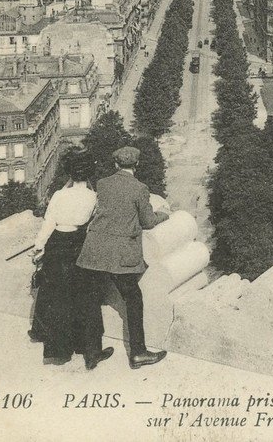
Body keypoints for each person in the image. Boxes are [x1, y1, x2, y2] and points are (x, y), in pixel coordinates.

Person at [77, 146, 170, 370]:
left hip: (94, 251)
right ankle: (138, 353)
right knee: (133, 299)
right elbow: (147, 221)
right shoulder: (140, 188)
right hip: (122, 255)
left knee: (91, 300)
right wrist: (163, 215)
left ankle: (92, 354)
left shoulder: (102, 183)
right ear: (135, 165)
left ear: (115, 164)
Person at [30, 152, 98, 365]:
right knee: (78, 295)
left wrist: (39, 246)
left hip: (57, 242)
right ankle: (79, 343)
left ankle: (57, 349)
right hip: (78, 243)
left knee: (56, 296)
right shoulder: (92, 197)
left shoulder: (60, 195)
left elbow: (48, 223)